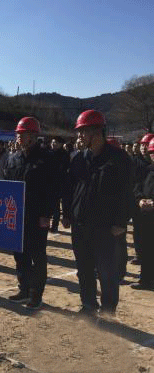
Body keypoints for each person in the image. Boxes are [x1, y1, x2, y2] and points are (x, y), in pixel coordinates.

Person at [62, 110, 133, 316]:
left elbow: (126, 194)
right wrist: (67, 213)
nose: (79, 136)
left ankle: (108, 311)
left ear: (97, 132)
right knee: (84, 269)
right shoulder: (78, 158)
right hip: (80, 224)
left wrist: (121, 222)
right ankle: (88, 305)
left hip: (106, 227)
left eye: (83, 132)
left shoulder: (119, 159)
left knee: (107, 272)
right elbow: (69, 188)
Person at [4, 117, 57, 310]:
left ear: (33, 136)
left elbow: (53, 189)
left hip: (37, 216)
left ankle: (36, 294)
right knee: (20, 254)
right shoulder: (13, 158)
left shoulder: (47, 158)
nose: (18, 137)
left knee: (37, 256)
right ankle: (24, 289)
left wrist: (47, 214)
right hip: (17, 215)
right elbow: (7, 185)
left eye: (22, 134)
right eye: (18, 134)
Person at [131, 137, 154, 290]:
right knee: (146, 249)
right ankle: (145, 279)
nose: (153, 155)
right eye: (152, 152)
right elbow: (136, 186)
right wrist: (140, 199)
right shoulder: (147, 170)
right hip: (145, 216)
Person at [49, 136, 70, 232]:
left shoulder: (64, 155)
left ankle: (55, 226)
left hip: (60, 184)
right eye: (52, 142)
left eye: (55, 142)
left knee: (57, 207)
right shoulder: (49, 153)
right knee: (52, 205)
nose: (53, 144)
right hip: (51, 183)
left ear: (61, 144)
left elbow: (64, 170)